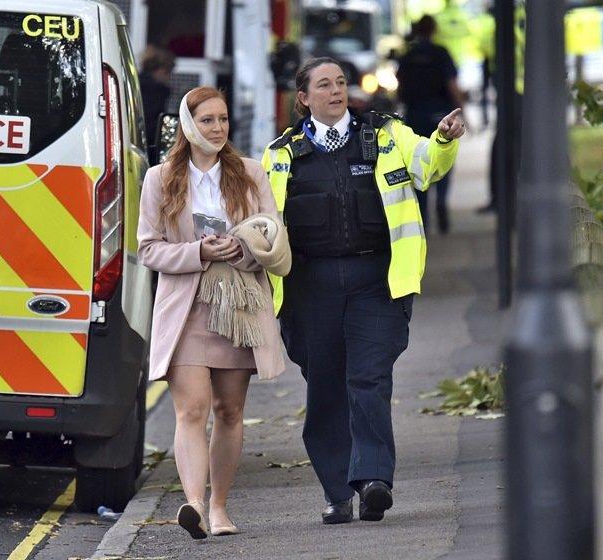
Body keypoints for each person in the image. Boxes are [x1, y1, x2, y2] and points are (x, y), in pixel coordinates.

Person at [261, 57, 465, 525]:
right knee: (327, 389)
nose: (336, 91)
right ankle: (337, 493)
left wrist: (444, 139)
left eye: (340, 83)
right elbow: (262, 218)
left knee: (369, 379)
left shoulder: (387, 134)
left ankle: (374, 480)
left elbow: (427, 165)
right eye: (324, 85)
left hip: (377, 280)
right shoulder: (282, 153)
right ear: (304, 99)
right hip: (309, 288)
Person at [137, 86, 289, 539]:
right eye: (207, 120)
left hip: (238, 306)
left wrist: (241, 250)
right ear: (188, 124)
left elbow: (272, 234)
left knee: (229, 410)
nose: (218, 128)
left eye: (223, 119)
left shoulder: (249, 172)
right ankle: (195, 506)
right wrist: (198, 251)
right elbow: (148, 249)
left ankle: (221, 507)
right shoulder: (160, 178)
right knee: (191, 410)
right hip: (187, 308)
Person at [396, 14, 465, 234]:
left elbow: (399, 88)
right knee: (443, 157)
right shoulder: (440, 53)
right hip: (440, 115)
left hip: (415, 115)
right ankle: (442, 201)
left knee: (419, 160)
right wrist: (463, 110)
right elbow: (452, 84)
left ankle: (423, 216)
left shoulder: (407, 56)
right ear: (433, 30)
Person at [139, 45, 175, 165]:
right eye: (168, 73)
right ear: (161, 71)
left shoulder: (134, 84)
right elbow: (153, 126)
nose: (168, 78)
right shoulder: (157, 91)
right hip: (147, 150)